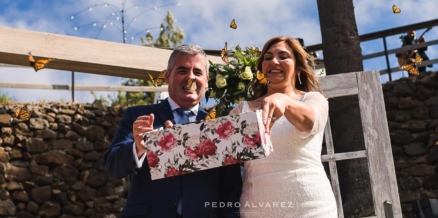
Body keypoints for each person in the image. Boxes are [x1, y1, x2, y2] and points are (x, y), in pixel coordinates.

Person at [103, 44, 242, 218]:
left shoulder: (222, 128)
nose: (190, 78)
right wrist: (138, 147)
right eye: (182, 71)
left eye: (197, 73)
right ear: (167, 77)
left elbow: (231, 190)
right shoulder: (138, 116)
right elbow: (112, 167)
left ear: (207, 81)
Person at [229, 36, 337, 218]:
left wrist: (284, 100)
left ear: (298, 66)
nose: (274, 61)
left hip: (312, 208)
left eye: (283, 56)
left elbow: (310, 122)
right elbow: (218, 152)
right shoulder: (242, 109)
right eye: (268, 57)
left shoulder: (312, 100)